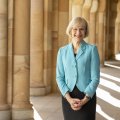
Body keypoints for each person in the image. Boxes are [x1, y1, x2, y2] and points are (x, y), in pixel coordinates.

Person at [56, 17, 100, 120]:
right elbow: (59, 77)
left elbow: (95, 78)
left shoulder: (92, 50)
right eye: (75, 29)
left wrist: (84, 100)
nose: (78, 32)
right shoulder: (62, 51)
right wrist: (69, 99)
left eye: (81, 29)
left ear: (85, 31)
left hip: (87, 97)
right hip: (68, 97)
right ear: (70, 30)